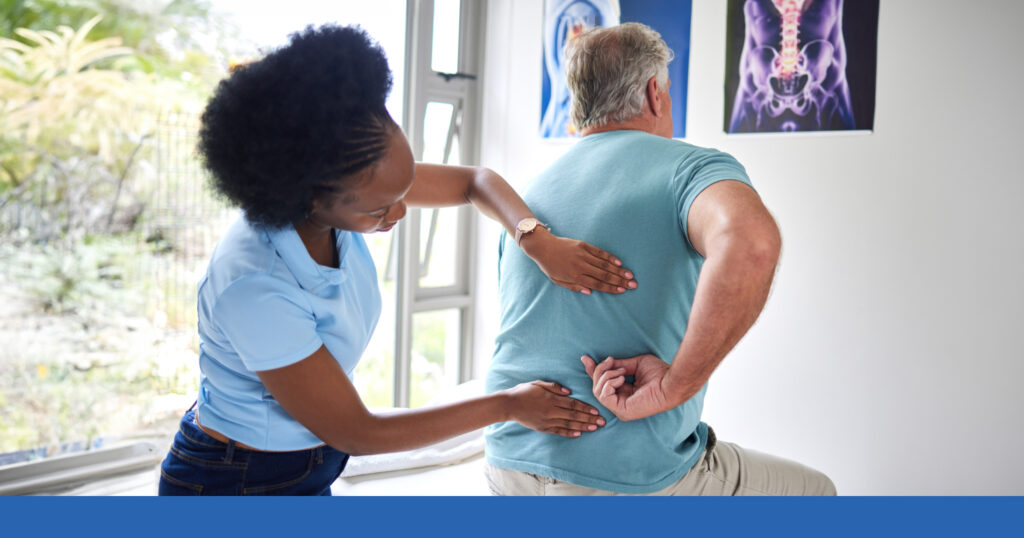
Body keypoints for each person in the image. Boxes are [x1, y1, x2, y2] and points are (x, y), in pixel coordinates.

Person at [157, 24, 640, 496]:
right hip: (237, 479)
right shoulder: (253, 285)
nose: (402, 210)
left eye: (404, 188)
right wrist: (508, 405)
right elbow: (357, 432)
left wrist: (536, 240)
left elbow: (475, 181)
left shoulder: (354, 180)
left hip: (309, 465)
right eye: (378, 209)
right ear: (305, 199)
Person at [484, 22, 836, 495]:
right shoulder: (690, 170)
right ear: (655, 94)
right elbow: (751, 245)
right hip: (626, 481)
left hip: (505, 467)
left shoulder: (528, 200)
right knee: (818, 491)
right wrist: (673, 388)